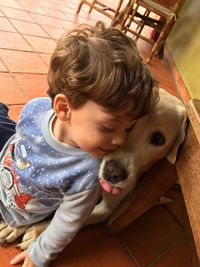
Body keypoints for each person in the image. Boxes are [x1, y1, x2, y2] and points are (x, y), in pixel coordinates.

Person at [0, 21, 158, 267]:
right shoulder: (35, 108)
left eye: (128, 129)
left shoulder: (87, 172)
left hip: (18, 208)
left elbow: (68, 220)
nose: (120, 140)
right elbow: (18, 140)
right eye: (108, 127)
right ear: (63, 108)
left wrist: (39, 252)